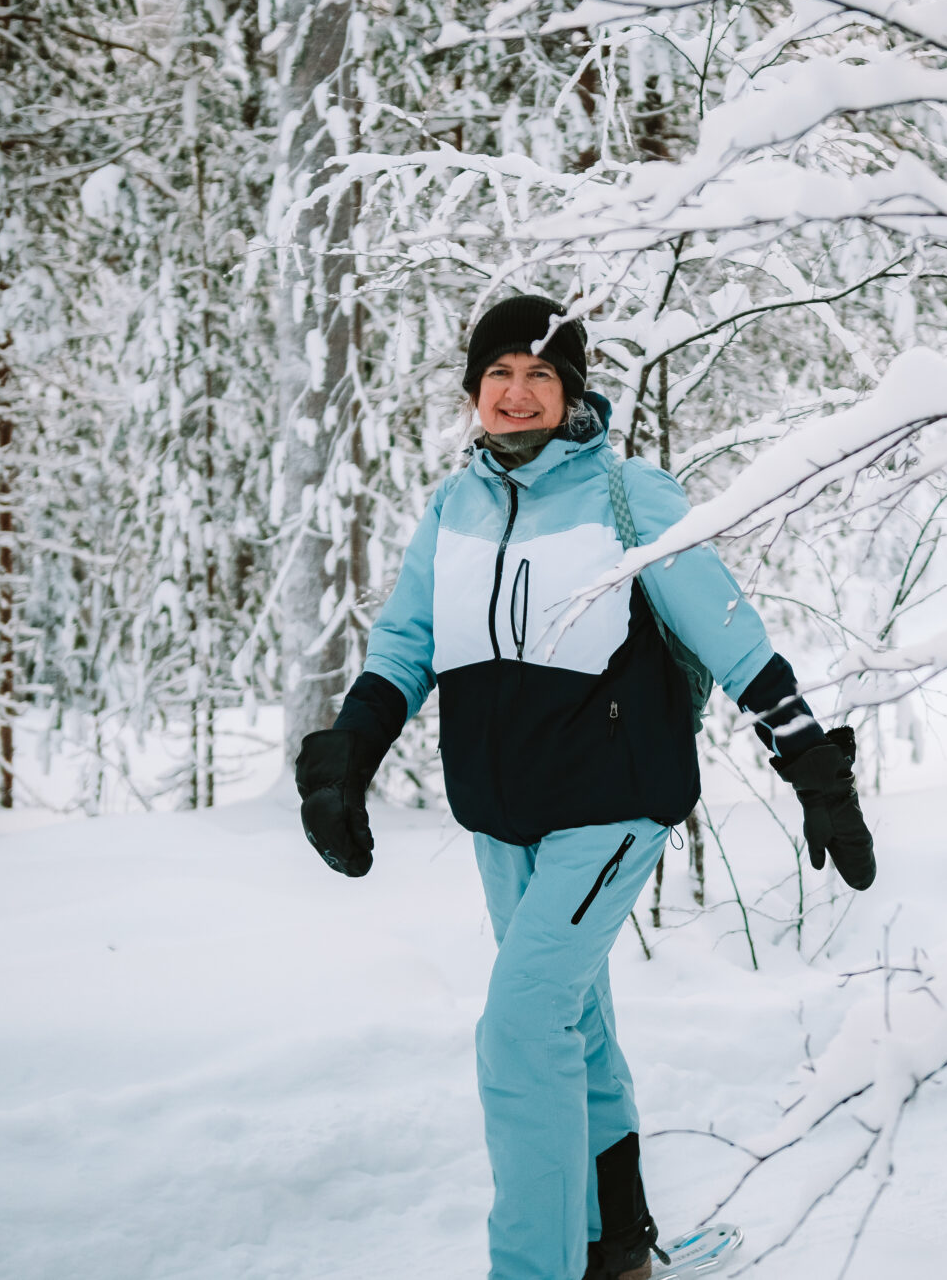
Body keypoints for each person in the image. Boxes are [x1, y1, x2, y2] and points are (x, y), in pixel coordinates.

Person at [293, 293, 876, 1280]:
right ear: (474, 390)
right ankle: (616, 1244)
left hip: (611, 803)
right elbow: (405, 642)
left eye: (540, 375)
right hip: (499, 814)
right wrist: (350, 751)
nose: (517, 394)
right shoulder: (453, 507)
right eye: (499, 375)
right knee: (571, 1020)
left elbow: (728, 633)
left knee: (520, 1029)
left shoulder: (624, 494)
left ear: (571, 393)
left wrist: (811, 765)